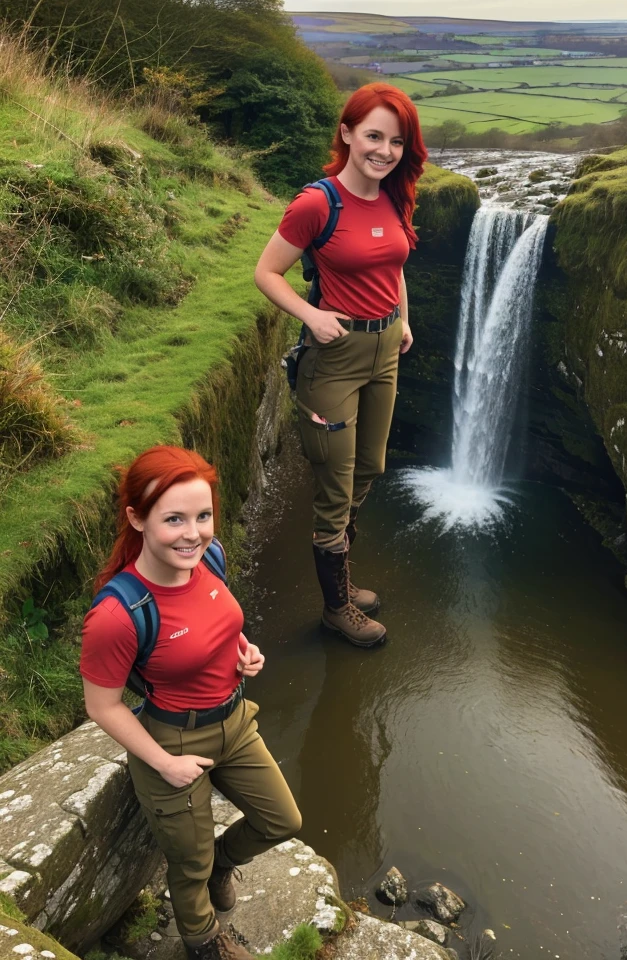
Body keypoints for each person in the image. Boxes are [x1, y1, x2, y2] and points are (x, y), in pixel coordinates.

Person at [80, 446, 301, 960]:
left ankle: (225, 863)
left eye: (203, 516)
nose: (193, 533)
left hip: (236, 721)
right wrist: (165, 764)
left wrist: (245, 652)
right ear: (137, 518)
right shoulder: (117, 613)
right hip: (173, 740)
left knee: (283, 821)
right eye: (174, 519)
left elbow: (221, 624)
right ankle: (203, 943)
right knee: (190, 862)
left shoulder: (212, 557)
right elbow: (102, 706)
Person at [254, 83, 427, 648]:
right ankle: (336, 608)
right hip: (334, 357)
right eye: (374, 136)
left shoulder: (396, 197)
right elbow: (266, 273)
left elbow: (395, 264)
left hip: (384, 354)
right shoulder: (317, 203)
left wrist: (402, 318)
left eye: (396, 141)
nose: (384, 150)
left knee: (370, 467)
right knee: (335, 485)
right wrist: (311, 314)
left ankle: (342, 574)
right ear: (348, 133)